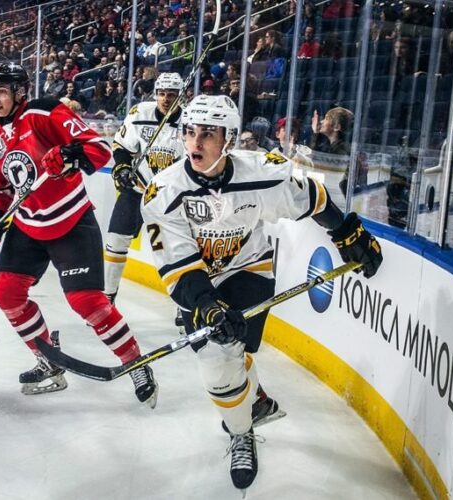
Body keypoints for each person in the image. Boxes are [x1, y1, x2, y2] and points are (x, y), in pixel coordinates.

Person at [141, 94, 383, 490]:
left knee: (228, 357)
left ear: (229, 139)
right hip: (197, 279)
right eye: (190, 132)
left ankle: (245, 421)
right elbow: (177, 263)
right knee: (220, 360)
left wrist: (346, 232)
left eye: (208, 134)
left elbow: (313, 198)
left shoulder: (263, 172)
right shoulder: (164, 192)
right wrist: (207, 305)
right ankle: (249, 417)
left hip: (249, 268)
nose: (195, 143)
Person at [0, 63, 158, 407]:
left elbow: (98, 148)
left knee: (87, 303)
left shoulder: (44, 112)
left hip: (71, 221)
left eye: (2, 91)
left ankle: (136, 363)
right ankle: (48, 361)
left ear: (19, 92)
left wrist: (71, 156)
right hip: (28, 225)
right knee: (7, 292)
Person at [105, 72, 186, 303]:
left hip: (171, 197)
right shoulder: (139, 113)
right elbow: (122, 147)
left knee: (180, 252)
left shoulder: (190, 121)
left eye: (171, 94)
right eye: (161, 93)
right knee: (115, 240)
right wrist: (121, 167)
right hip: (138, 188)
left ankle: (185, 307)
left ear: (181, 96)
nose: (165, 99)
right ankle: (107, 297)